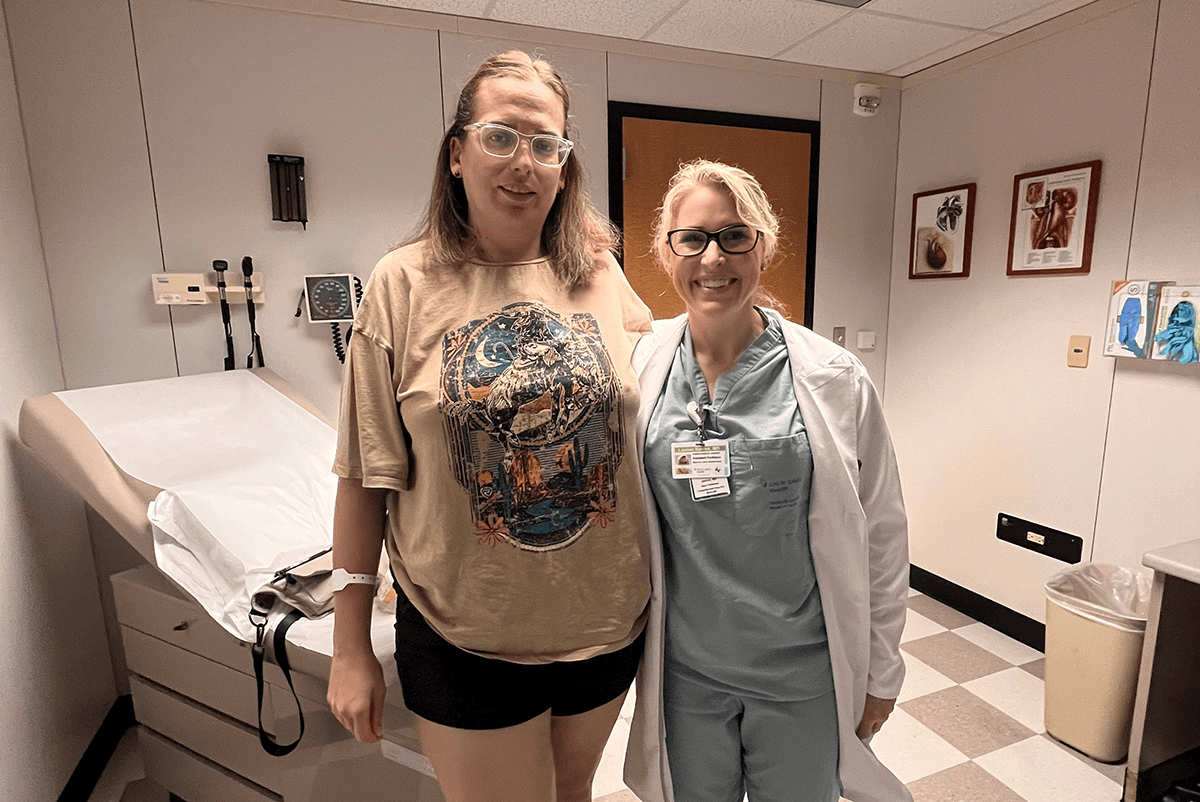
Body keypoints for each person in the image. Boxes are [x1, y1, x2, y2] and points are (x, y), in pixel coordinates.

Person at [327, 51, 653, 802]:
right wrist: (350, 646)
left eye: (547, 145)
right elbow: (364, 474)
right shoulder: (400, 284)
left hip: (604, 623)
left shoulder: (602, 276)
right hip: (464, 632)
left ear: (565, 165)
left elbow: (650, 414)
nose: (524, 164)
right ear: (457, 153)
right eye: (500, 136)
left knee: (572, 794)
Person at [624, 160, 911, 802]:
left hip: (804, 670)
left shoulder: (835, 378)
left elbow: (884, 534)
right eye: (692, 237)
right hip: (684, 672)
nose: (712, 258)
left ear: (765, 246)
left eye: (734, 236)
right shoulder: (639, 367)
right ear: (666, 250)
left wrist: (882, 672)